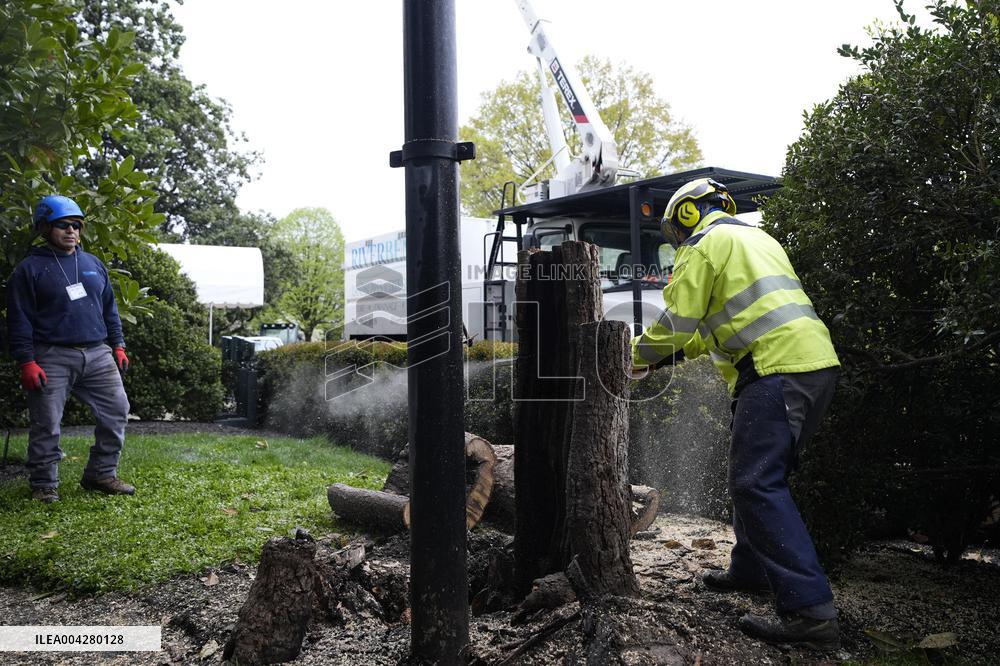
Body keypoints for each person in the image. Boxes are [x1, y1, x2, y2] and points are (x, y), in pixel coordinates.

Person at [631, 178, 841, 651]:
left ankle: (811, 616)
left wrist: (635, 353)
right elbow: (706, 330)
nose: (676, 241)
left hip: (773, 371)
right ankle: (751, 571)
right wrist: (665, 358)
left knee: (756, 483)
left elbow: (678, 322)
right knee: (759, 478)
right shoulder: (756, 239)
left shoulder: (704, 245)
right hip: (813, 366)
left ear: (686, 215)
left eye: (674, 231)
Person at [6, 195, 135, 503]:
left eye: (76, 225)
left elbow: (109, 309)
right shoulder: (30, 269)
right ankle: (44, 484)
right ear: (45, 228)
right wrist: (27, 361)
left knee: (117, 411)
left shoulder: (93, 264)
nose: (71, 231)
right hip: (51, 355)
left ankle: (101, 473)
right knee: (47, 423)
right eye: (62, 225)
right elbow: (18, 319)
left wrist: (117, 345)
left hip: (98, 353)